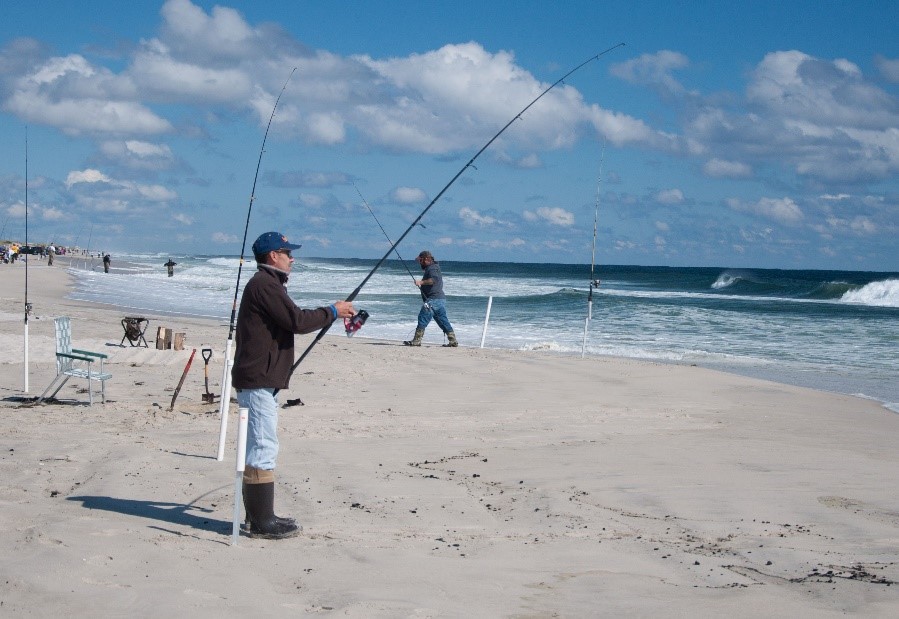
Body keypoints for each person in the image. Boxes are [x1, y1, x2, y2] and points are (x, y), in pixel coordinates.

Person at [232, 231, 355, 539]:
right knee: (263, 446)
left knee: (258, 445)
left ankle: (256, 517)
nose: (292, 258)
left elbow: (290, 320)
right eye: (287, 253)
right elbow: (297, 321)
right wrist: (332, 311)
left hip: (260, 378)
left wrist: (329, 313)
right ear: (273, 256)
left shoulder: (267, 285)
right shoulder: (265, 285)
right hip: (259, 379)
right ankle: (262, 523)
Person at [403, 250, 458, 347]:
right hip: (439, 299)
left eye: (420, 261)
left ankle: (416, 341)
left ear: (425, 259)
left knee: (423, 317)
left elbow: (434, 280)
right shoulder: (433, 267)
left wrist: (421, 282)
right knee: (442, 320)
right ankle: (453, 341)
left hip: (434, 299)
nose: (420, 263)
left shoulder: (432, 268)